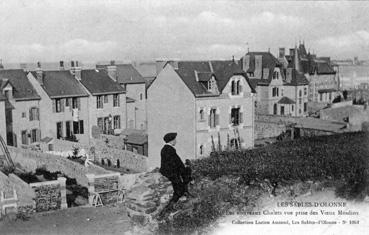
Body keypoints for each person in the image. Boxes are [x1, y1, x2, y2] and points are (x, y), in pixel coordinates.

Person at [158, 132, 186, 215]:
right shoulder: (170, 150)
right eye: (175, 140)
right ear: (171, 141)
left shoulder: (164, 149)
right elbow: (177, 163)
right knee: (180, 189)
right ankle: (168, 209)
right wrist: (184, 171)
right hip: (171, 174)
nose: (176, 141)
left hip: (166, 172)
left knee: (179, 188)